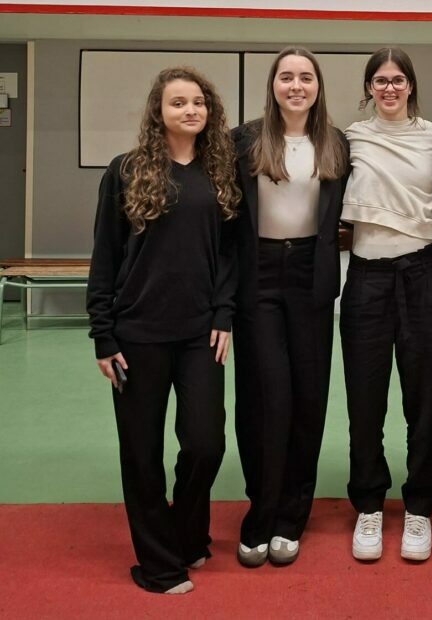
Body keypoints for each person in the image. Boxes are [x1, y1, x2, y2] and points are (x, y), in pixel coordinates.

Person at [86, 67, 240, 594]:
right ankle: (158, 564)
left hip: (200, 335)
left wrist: (223, 313)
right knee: (142, 454)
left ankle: (188, 535)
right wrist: (103, 334)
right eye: (178, 102)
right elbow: (105, 255)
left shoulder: (219, 173)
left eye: (198, 102)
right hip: (136, 336)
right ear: (159, 110)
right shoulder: (126, 170)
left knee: (205, 444)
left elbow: (228, 255)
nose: (190, 110)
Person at [231, 47, 349, 568]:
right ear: (273, 85)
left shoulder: (336, 143)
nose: (296, 85)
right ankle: (262, 509)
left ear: (318, 86)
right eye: (286, 77)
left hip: (310, 275)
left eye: (305, 77)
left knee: (308, 396)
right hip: (256, 274)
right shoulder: (243, 140)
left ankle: (292, 515)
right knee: (266, 395)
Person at [341, 47, 432, 562]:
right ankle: (369, 504)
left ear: (410, 86)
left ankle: (420, 507)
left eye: (397, 79)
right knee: (365, 400)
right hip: (366, 277)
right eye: (380, 80)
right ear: (369, 87)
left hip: (422, 275)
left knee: (423, 400)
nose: (389, 88)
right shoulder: (351, 139)